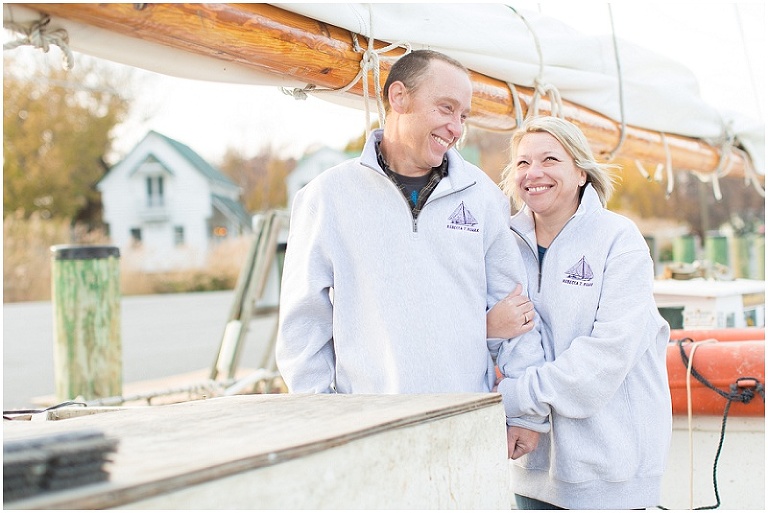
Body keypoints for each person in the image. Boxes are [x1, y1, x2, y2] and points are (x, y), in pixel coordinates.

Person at [275, 49, 547, 452]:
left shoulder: (485, 198)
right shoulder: (326, 197)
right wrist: (325, 418)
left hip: (465, 427)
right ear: (399, 97)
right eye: (446, 108)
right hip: (368, 435)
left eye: (464, 116)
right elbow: (304, 324)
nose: (456, 128)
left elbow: (515, 313)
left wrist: (525, 412)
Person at [488, 115, 672, 510]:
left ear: (581, 173)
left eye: (550, 159)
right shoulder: (501, 242)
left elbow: (606, 356)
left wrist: (516, 397)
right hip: (530, 467)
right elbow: (501, 338)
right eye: (522, 162)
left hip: (609, 473)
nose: (533, 172)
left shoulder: (619, 240)